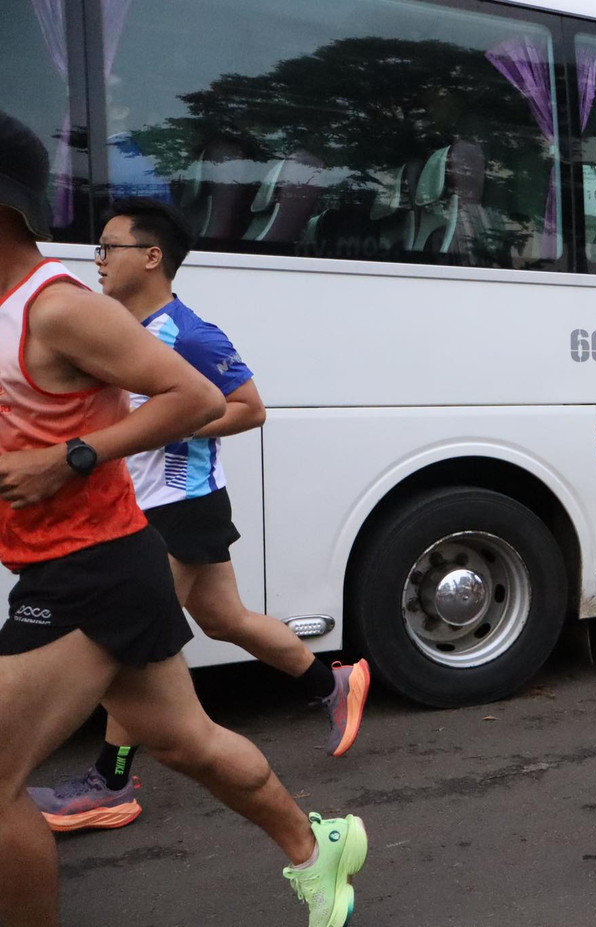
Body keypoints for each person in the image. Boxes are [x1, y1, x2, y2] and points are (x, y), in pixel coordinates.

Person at [0, 112, 364, 927]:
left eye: (114, 247)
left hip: (92, 563)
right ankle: (318, 845)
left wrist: (71, 458)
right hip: (94, 556)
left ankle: (324, 684)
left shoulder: (57, 307)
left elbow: (206, 401)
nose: (101, 258)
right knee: (188, 740)